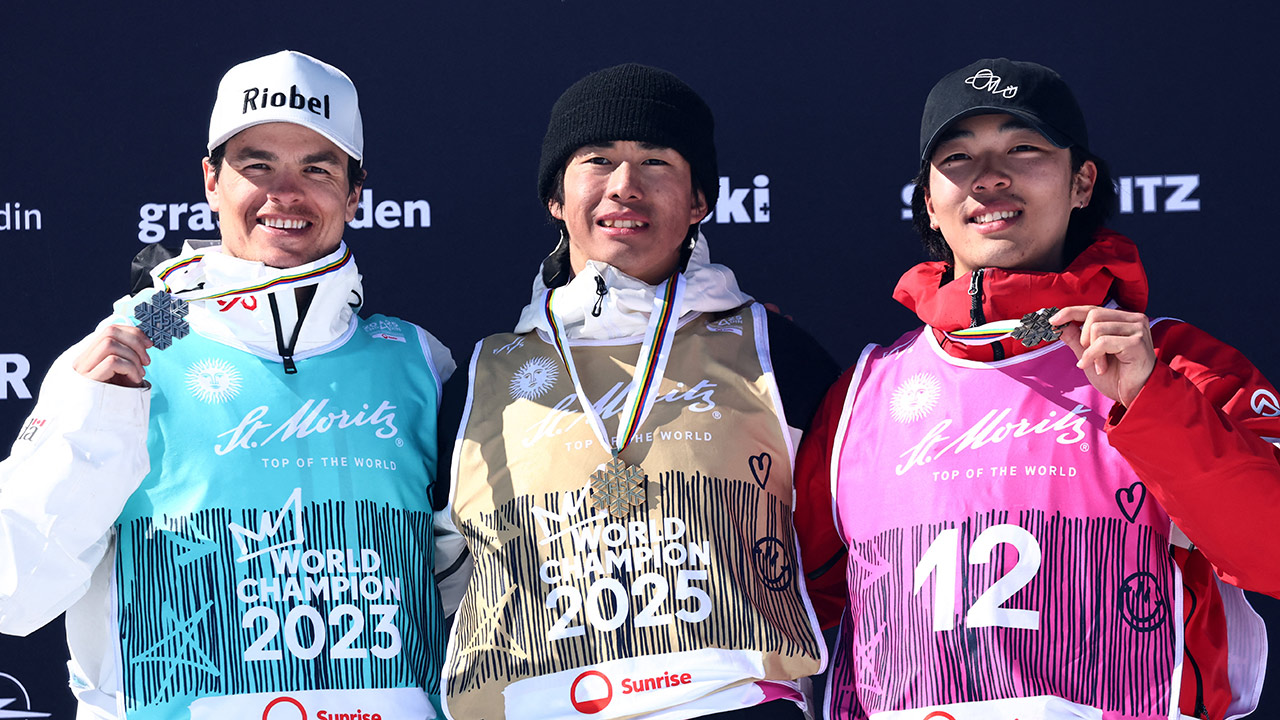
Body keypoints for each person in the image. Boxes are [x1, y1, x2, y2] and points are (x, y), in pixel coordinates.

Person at [794, 57, 1280, 719]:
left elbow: (1271, 549)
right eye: (958, 156)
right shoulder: (864, 396)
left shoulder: (1177, 363)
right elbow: (794, 605)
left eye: (1024, 147)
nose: (990, 177)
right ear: (930, 203)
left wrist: (1149, 401)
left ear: (1082, 183)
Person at [0, 50, 464, 718]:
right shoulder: (125, 352)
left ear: (355, 192)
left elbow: (460, 584)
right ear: (212, 181)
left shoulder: (415, 361)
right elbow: (17, 594)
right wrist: (98, 422)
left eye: (317, 167)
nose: (286, 192)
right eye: (257, 165)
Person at [438, 63, 839, 719]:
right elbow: (441, 573)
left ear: (699, 201)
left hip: (729, 703)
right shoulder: (487, 374)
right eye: (598, 160)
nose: (624, 187)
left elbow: (842, 551)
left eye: (656, 162)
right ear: (555, 197)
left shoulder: (775, 351)